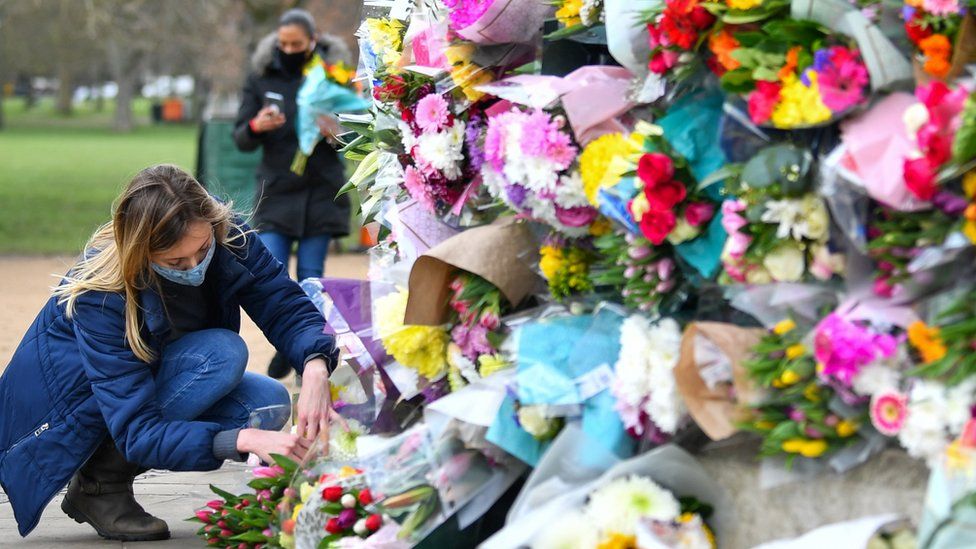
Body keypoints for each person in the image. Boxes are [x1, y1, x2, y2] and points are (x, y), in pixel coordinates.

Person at [0, 165, 341, 541]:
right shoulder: (101, 296)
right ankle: (100, 484)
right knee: (221, 354)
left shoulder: (230, 237)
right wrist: (242, 440)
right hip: (72, 423)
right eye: (176, 263)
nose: (195, 267)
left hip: (142, 391)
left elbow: (284, 305)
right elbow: (136, 429)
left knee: (267, 402)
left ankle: (107, 476)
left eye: (202, 249)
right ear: (140, 252)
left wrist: (314, 367)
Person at [234, 8, 352, 379]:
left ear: (312, 42)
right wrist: (258, 124)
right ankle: (287, 344)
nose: (288, 49)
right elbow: (241, 137)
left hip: (321, 190)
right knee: (272, 275)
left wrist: (336, 134)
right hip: (277, 191)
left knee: (312, 278)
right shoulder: (260, 76)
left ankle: (307, 355)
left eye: (296, 44)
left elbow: (354, 137)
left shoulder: (336, 77)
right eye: (283, 43)